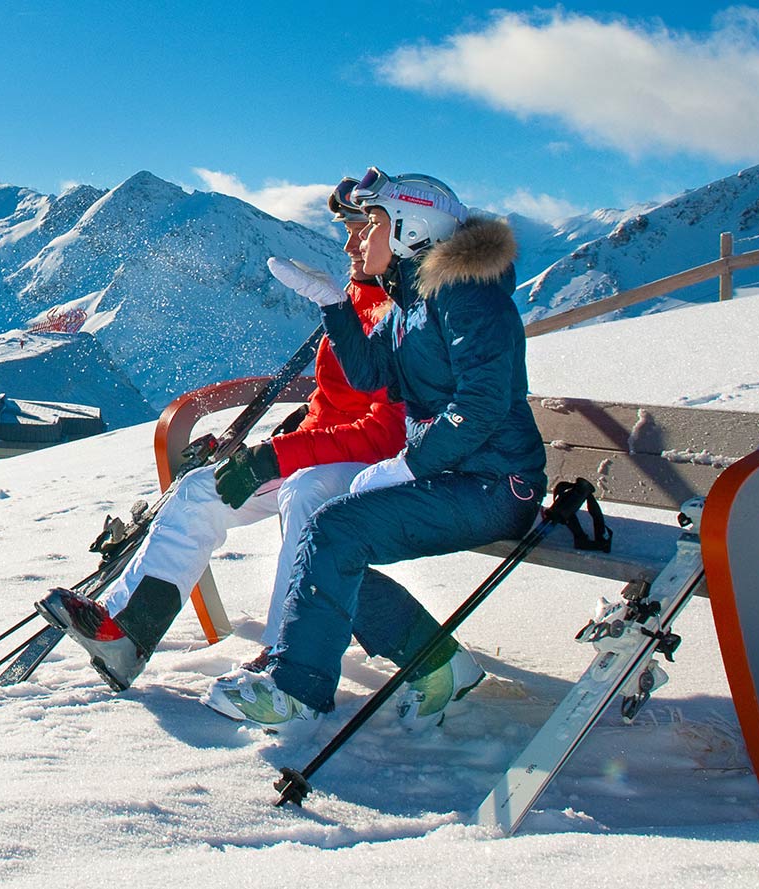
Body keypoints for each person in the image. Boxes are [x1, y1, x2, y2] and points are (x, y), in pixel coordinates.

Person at [36, 188, 406, 704]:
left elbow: (386, 430)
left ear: (409, 235)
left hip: (373, 468)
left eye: (364, 230)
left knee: (305, 494)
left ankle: (285, 657)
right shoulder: (359, 298)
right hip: (324, 452)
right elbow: (334, 402)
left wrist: (283, 455)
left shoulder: (405, 313)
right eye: (350, 230)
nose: (350, 246)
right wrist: (280, 441)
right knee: (198, 492)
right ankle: (128, 632)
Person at [222, 169, 544, 735]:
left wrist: (409, 465)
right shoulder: (413, 302)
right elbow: (371, 372)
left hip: (494, 485)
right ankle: (439, 666)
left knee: (334, 531)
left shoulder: (467, 295)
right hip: (455, 478)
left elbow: (486, 400)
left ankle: (295, 689)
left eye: (372, 222)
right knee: (327, 536)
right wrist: (334, 306)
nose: (359, 237)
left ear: (409, 229)